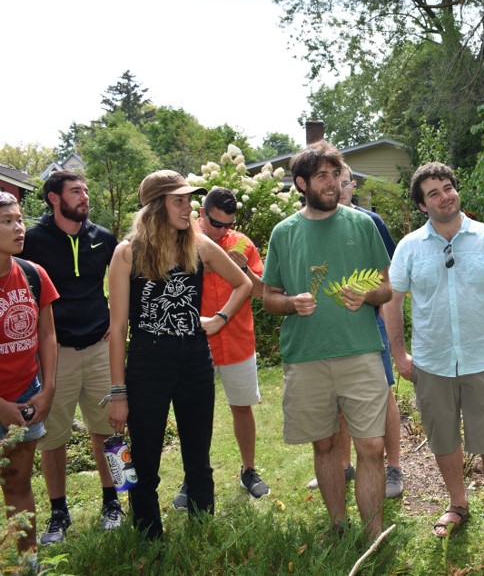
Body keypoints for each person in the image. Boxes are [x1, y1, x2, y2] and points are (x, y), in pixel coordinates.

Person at [385, 162, 484, 550]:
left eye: (448, 187)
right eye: (433, 192)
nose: (444, 196)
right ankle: (457, 504)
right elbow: (392, 301)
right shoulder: (410, 246)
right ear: (421, 205)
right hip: (432, 363)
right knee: (443, 438)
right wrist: (400, 353)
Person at [107, 170, 251, 539]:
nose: (189, 208)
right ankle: (148, 536)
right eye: (180, 200)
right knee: (145, 457)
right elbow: (118, 327)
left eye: (189, 200)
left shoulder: (199, 245)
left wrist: (219, 319)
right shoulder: (127, 253)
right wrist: (119, 392)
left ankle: (202, 529)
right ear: (157, 206)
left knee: (198, 456)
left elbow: (243, 283)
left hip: (194, 359)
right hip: (147, 361)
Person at [262, 141, 391, 539]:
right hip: (307, 357)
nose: (333, 183)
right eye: (323, 176)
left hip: (361, 352)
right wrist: (290, 302)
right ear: (302, 183)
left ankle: (373, 533)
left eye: (337, 175)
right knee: (325, 447)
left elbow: (387, 287)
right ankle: (338, 524)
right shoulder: (284, 233)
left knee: (372, 447)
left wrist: (368, 295)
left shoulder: (362, 224)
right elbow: (268, 298)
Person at [17, 171, 122, 545]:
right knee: (53, 438)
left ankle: (114, 502)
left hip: (98, 349)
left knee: (107, 430)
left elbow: (127, 277)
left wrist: (119, 316)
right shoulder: (32, 241)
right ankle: (59, 513)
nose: (85, 197)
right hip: (53, 354)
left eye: (86, 191)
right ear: (53, 199)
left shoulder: (103, 237)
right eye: (76, 191)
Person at [304, 165, 404, 498]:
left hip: (366, 323)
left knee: (382, 394)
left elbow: (389, 280)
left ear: (351, 184)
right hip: (328, 332)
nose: (338, 187)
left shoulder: (368, 223)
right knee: (339, 401)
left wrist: (389, 330)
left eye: (343, 182)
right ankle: (344, 466)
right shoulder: (310, 224)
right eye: (330, 181)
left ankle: (393, 468)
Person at [171, 187, 270, 510]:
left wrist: (239, 268)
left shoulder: (243, 245)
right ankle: (192, 476)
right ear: (202, 214)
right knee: (195, 412)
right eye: (216, 223)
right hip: (195, 342)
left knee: (242, 406)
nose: (222, 231)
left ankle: (249, 471)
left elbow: (260, 291)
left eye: (228, 224)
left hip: (238, 340)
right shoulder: (182, 243)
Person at [0, 191, 59, 552]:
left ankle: (27, 564)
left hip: (26, 397)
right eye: (7, 221)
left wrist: (48, 388)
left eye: (19, 219)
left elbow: (47, 333)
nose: (19, 228)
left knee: (18, 484)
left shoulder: (33, 274)